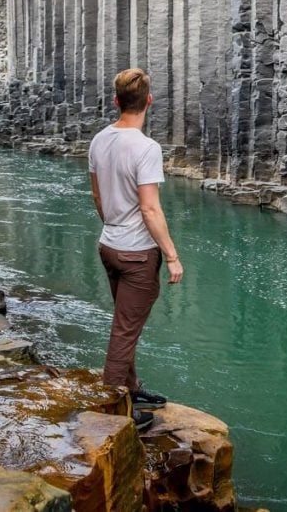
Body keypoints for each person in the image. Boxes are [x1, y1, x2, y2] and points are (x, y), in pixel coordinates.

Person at [88, 67, 184, 430]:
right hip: (137, 255)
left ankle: (131, 388)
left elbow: (98, 196)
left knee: (125, 323)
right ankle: (113, 413)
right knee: (124, 332)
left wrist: (112, 223)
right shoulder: (146, 148)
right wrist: (172, 256)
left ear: (116, 101)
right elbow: (150, 208)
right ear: (149, 101)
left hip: (109, 246)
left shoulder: (99, 140)